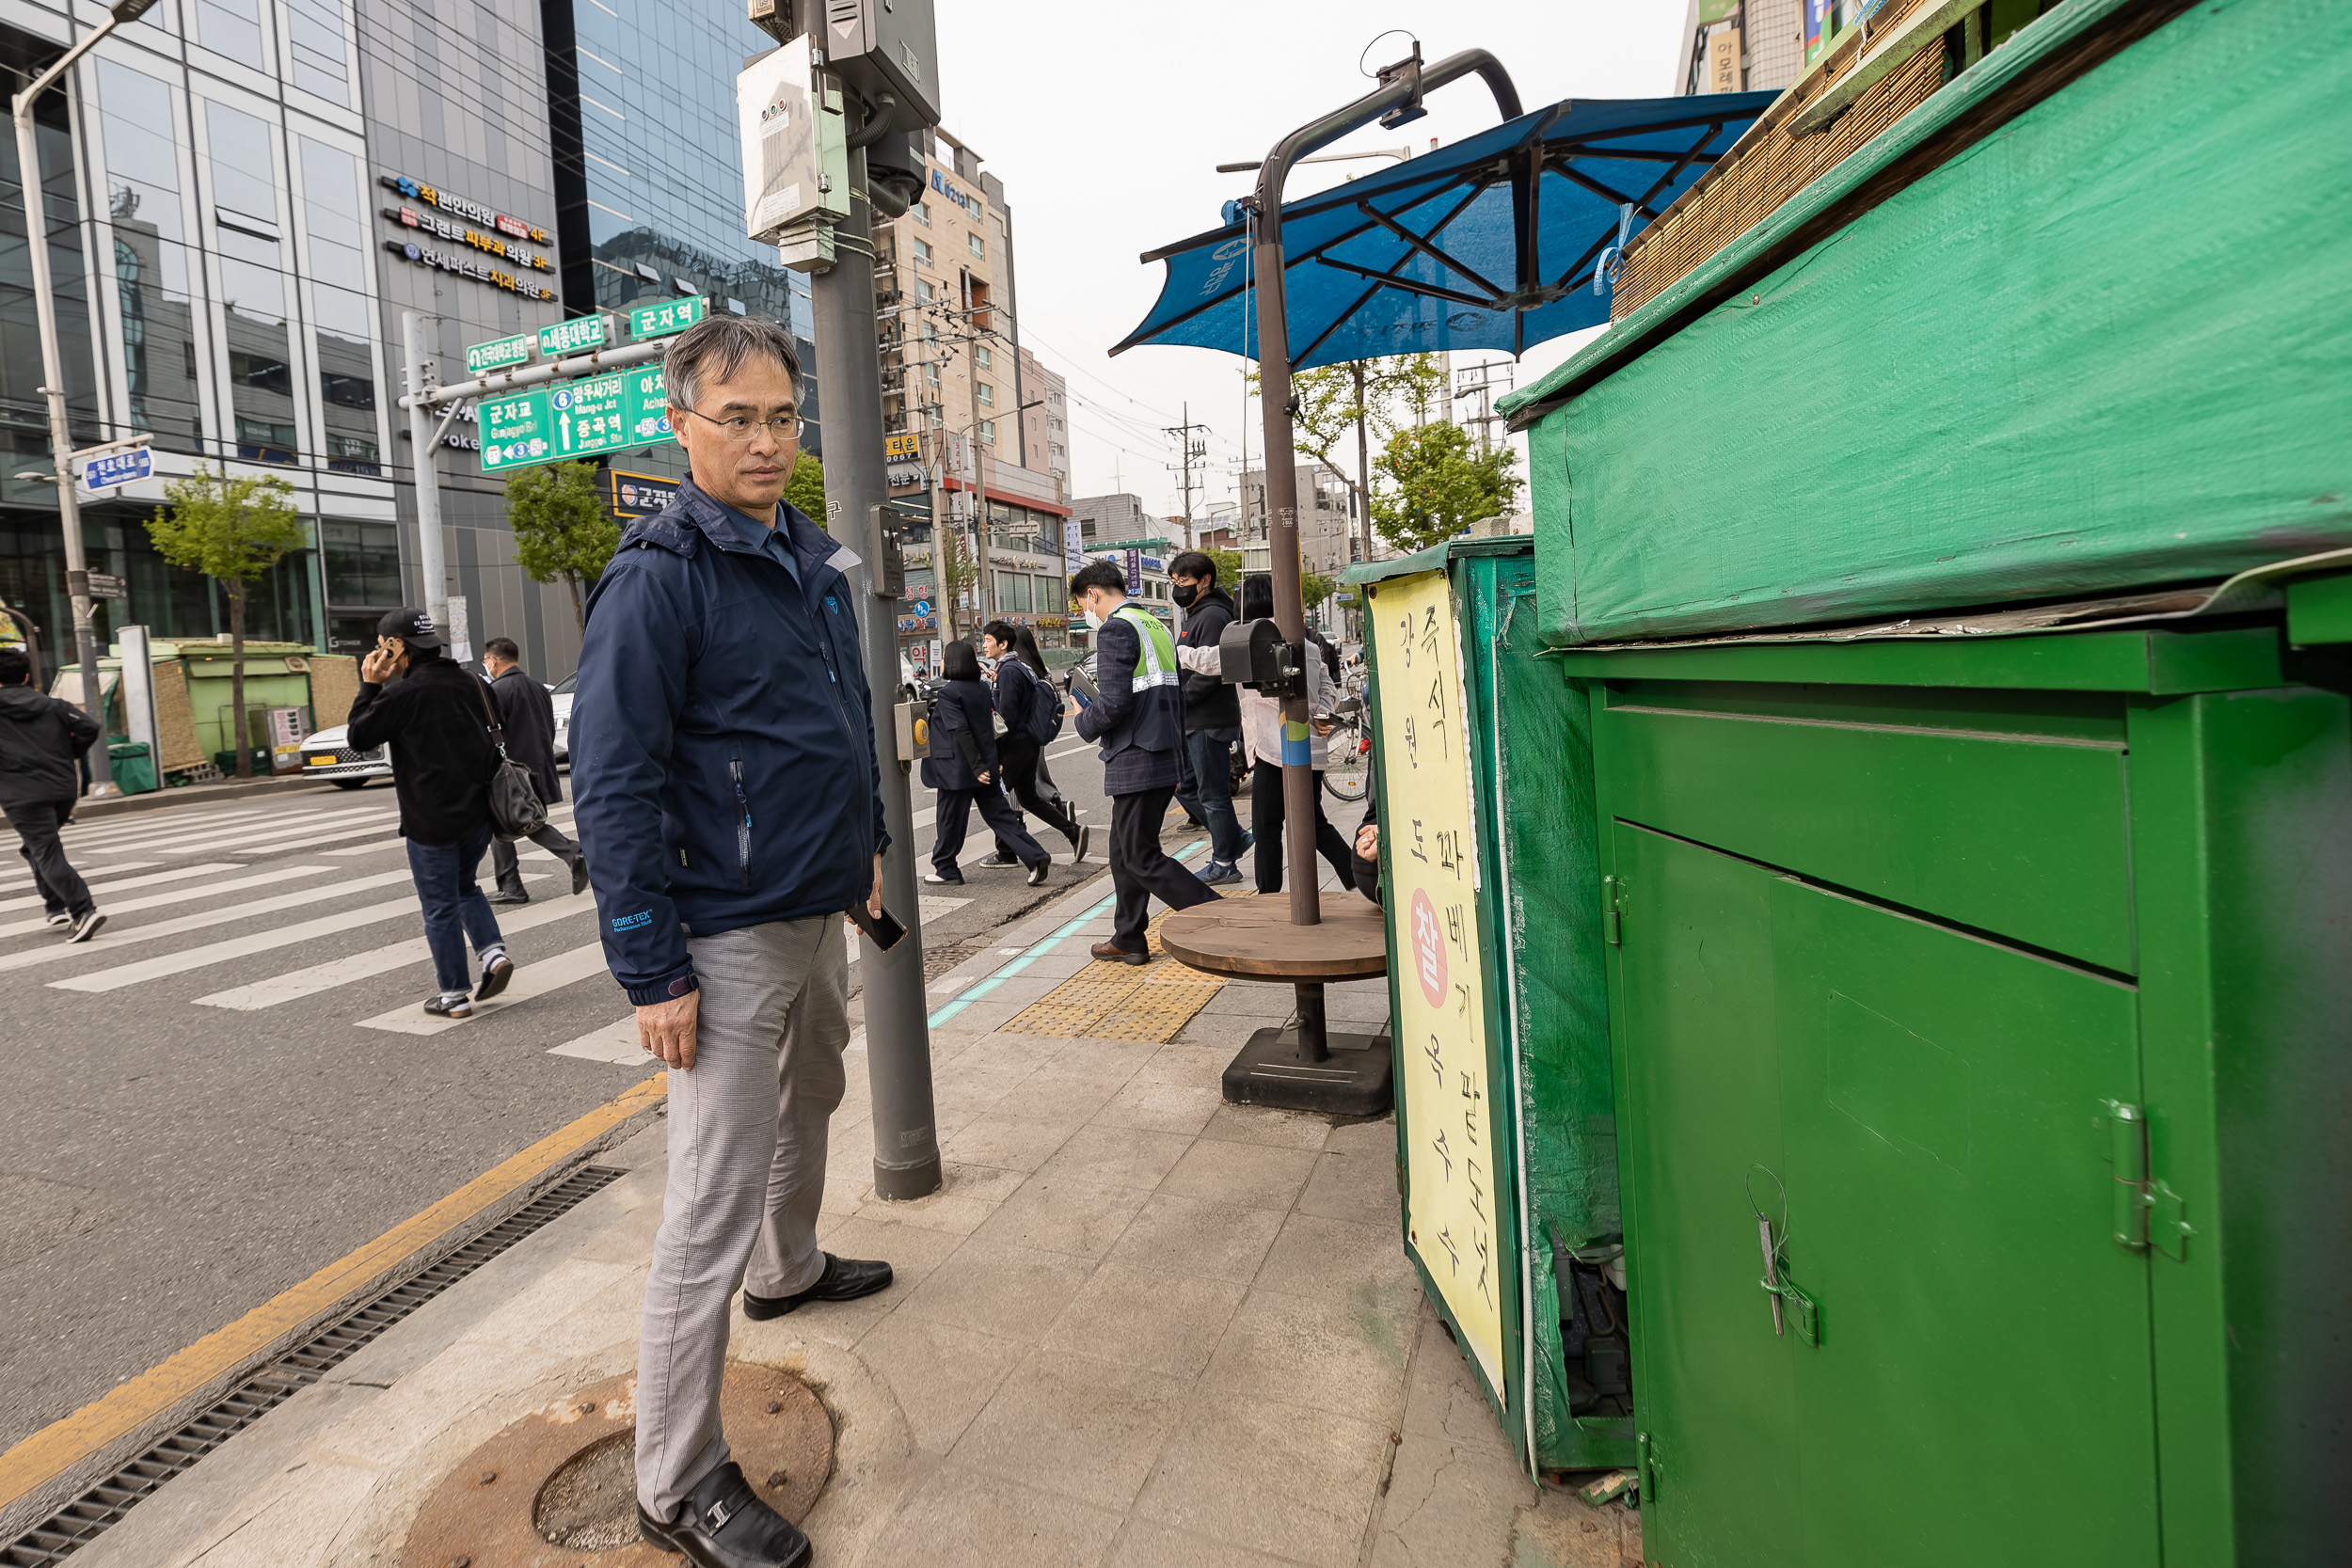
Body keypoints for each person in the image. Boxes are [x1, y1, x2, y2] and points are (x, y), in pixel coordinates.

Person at [568, 313, 892, 1568]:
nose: (765, 440)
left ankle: (794, 1263)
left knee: (814, 1091)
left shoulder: (803, 555)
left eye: (781, 415)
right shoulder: (661, 574)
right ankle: (676, 1475)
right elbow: (613, 781)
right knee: (707, 1194)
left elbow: (839, 717)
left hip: (816, 905)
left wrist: (862, 842)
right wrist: (650, 964)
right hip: (723, 931)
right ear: (683, 426)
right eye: (737, 418)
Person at [346, 608, 516, 1017]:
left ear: (396, 646)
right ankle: (493, 955)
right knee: (464, 886)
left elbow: (359, 737)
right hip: (479, 814)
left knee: (439, 905)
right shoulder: (474, 682)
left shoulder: (401, 694)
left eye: (381, 645)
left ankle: (454, 995)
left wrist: (369, 685)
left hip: (431, 820)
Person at [1070, 557, 1216, 963]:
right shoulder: (1157, 626)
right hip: (1163, 748)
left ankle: (1218, 915)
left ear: (1094, 594)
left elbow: (1115, 702)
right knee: (1122, 849)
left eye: (1084, 604)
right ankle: (1129, 935)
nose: (1087, 613)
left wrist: (1083, 721)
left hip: (1137, 754)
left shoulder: (1116, 629)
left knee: (1139, 855)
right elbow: (1174, 694)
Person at [1232, 577, 1356, 895]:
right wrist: (1319, 715)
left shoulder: (1253, 643)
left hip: (1276, 749)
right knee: (1313, 824)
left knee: (1267, 828)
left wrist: (1181, 655)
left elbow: (1210, 662)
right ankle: (1359, 878)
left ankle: (1268, 896)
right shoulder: (1309, 645)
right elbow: (1329, 691)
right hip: (1307, 747)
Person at [921, 639, 1052, 887]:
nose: (941, 662)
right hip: (986, 765)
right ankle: (1036, 857)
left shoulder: (949, 693)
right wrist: (995, 761)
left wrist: (977, 766)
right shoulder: (981, 688)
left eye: (944, 658)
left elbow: (961, 731)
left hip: (958, 770)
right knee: (1001, 817)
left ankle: (946, 868)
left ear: (951, 662)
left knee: (950, 820)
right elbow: (994, 726)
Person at [0, 646, 104, 942]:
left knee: (45, 851)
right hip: (62, 789)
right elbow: (88, 727)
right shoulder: (54, 705)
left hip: (21, 792)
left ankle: (83, 910)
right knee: (34, 847)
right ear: (26, 676)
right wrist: (68, 753)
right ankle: (54, 904)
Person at [480, 637, 589, 906]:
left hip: (510, 772)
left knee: (502, 823)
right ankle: (566, 856)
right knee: (523, 822)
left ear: (493, 660)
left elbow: (493, 733)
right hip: (539, 766)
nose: (486, 665)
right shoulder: (538, 688)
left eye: (485, 661)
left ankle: (514, 885)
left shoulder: (497, 690)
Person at [973, 620, 1086, 867]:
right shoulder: (1017, 667)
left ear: (1003, 644)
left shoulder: (1009, 672)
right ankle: (1072, 831)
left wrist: (998, 756)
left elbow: (1007, 719)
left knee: (994, 798)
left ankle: (1016, 853)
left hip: (1015, 746)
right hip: (1028, 744)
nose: (984, 645)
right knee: (1028, 798)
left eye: (988, 640)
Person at [1168, 550, 1250, 884]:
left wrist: (1180, 700)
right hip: (1194, 719)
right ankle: (1234, 837)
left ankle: (1225, 862)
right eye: (1174, 581)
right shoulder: (1195, 613)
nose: (1178, 588)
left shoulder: (1214, 615)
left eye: (1183, 581)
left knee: (1212, 793)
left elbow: (1213, 670)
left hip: (1209, 719)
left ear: (1205, 581)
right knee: (1186, 786)